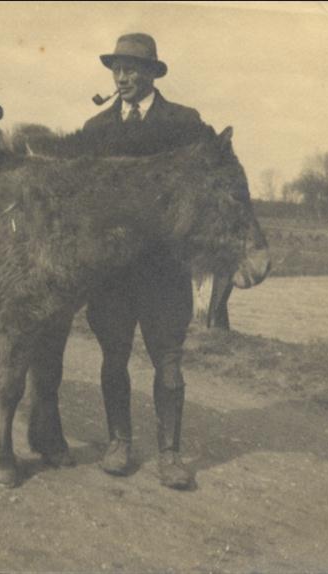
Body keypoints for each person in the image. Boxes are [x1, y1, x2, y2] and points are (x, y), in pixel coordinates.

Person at [83, 33, 213, 489]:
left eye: (132, 68)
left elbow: (210, 182)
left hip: (164, 270)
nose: (122, 77)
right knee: (113, 357)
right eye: (116, 68)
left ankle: (170, 455)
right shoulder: (95, 130)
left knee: (170, 362)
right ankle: (119, 442)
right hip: (113, 274)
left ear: (152, 74)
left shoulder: (185, 123)